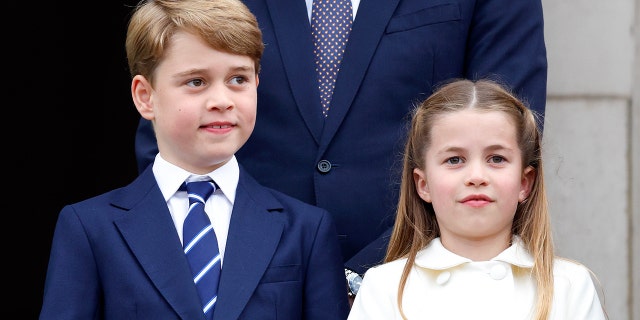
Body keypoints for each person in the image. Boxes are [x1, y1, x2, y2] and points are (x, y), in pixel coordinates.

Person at [134, 0, 548, 300]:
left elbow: (508, 135)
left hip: (428, 281)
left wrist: (370, 276)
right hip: (244, 286)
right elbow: (169, 137)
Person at [39, 0, 349, 319]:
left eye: (238, 79)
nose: (221, 101)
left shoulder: (307, 229)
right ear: (145, 97)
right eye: (196, 82)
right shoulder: (89, 228)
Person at [347, 79, 607, 320]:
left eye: (496, 159)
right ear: (423, 184)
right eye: (454, 160)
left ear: (524, 183)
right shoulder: (384, 288)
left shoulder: (569, 285)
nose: (476, 176)